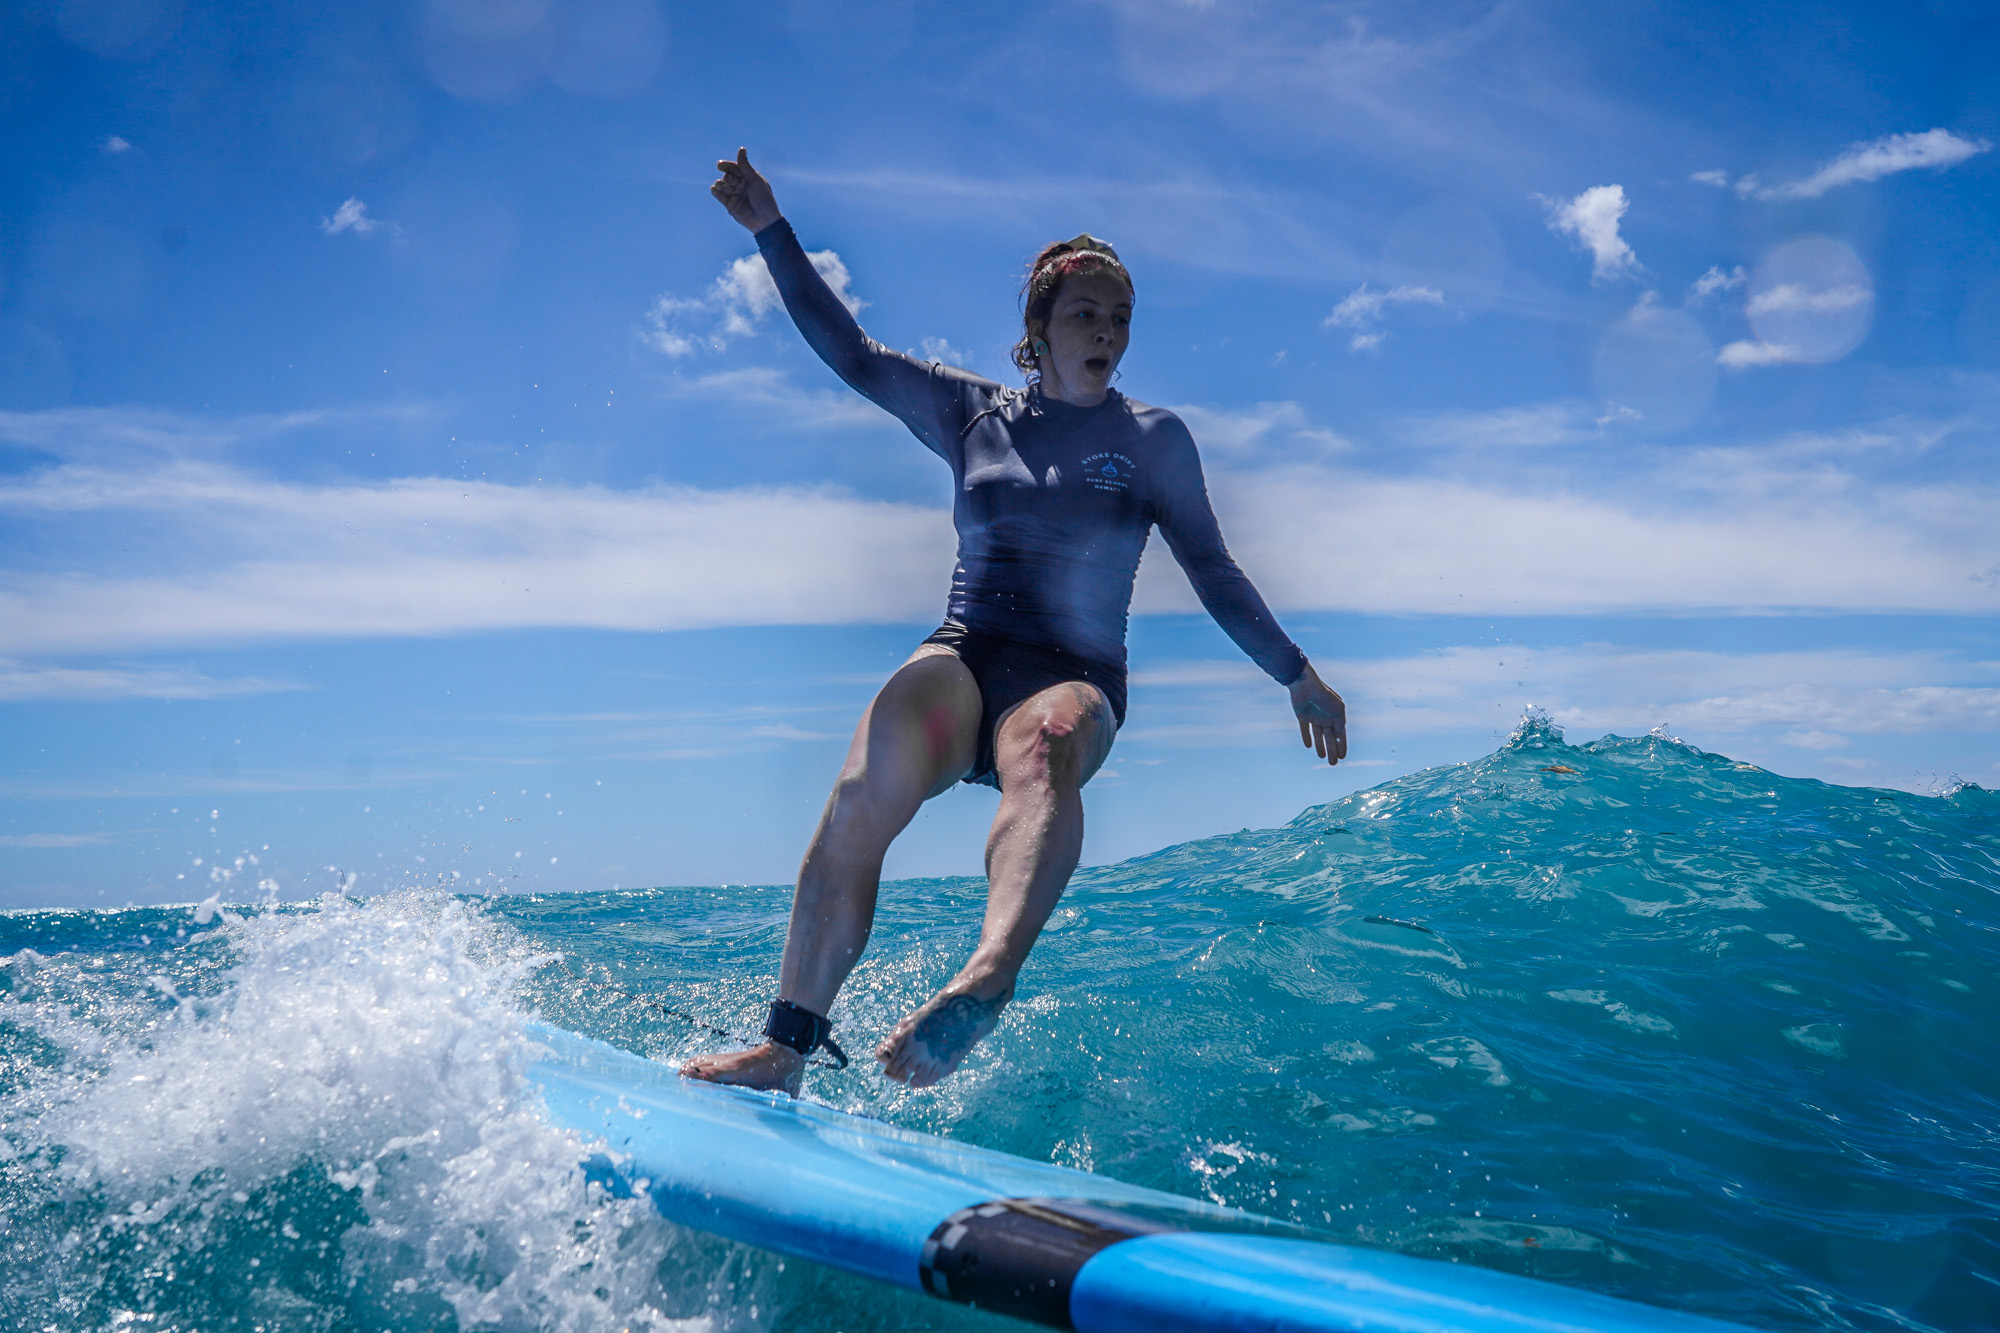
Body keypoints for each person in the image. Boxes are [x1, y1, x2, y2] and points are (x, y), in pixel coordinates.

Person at [682, 149, 1347, 1095]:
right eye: (1086, 312)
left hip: (1074, 671)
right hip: (967, 653)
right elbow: (854, 356)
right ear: (1037, 328)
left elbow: (1210, 564)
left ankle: (988, 973)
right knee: (864, 784)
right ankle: (783, 1049)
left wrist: (1296, 672)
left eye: (1120, 317)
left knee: (1048, 745)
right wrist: (771, 232)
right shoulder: (971, 415)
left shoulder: (1152, 440)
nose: (1107, 332)